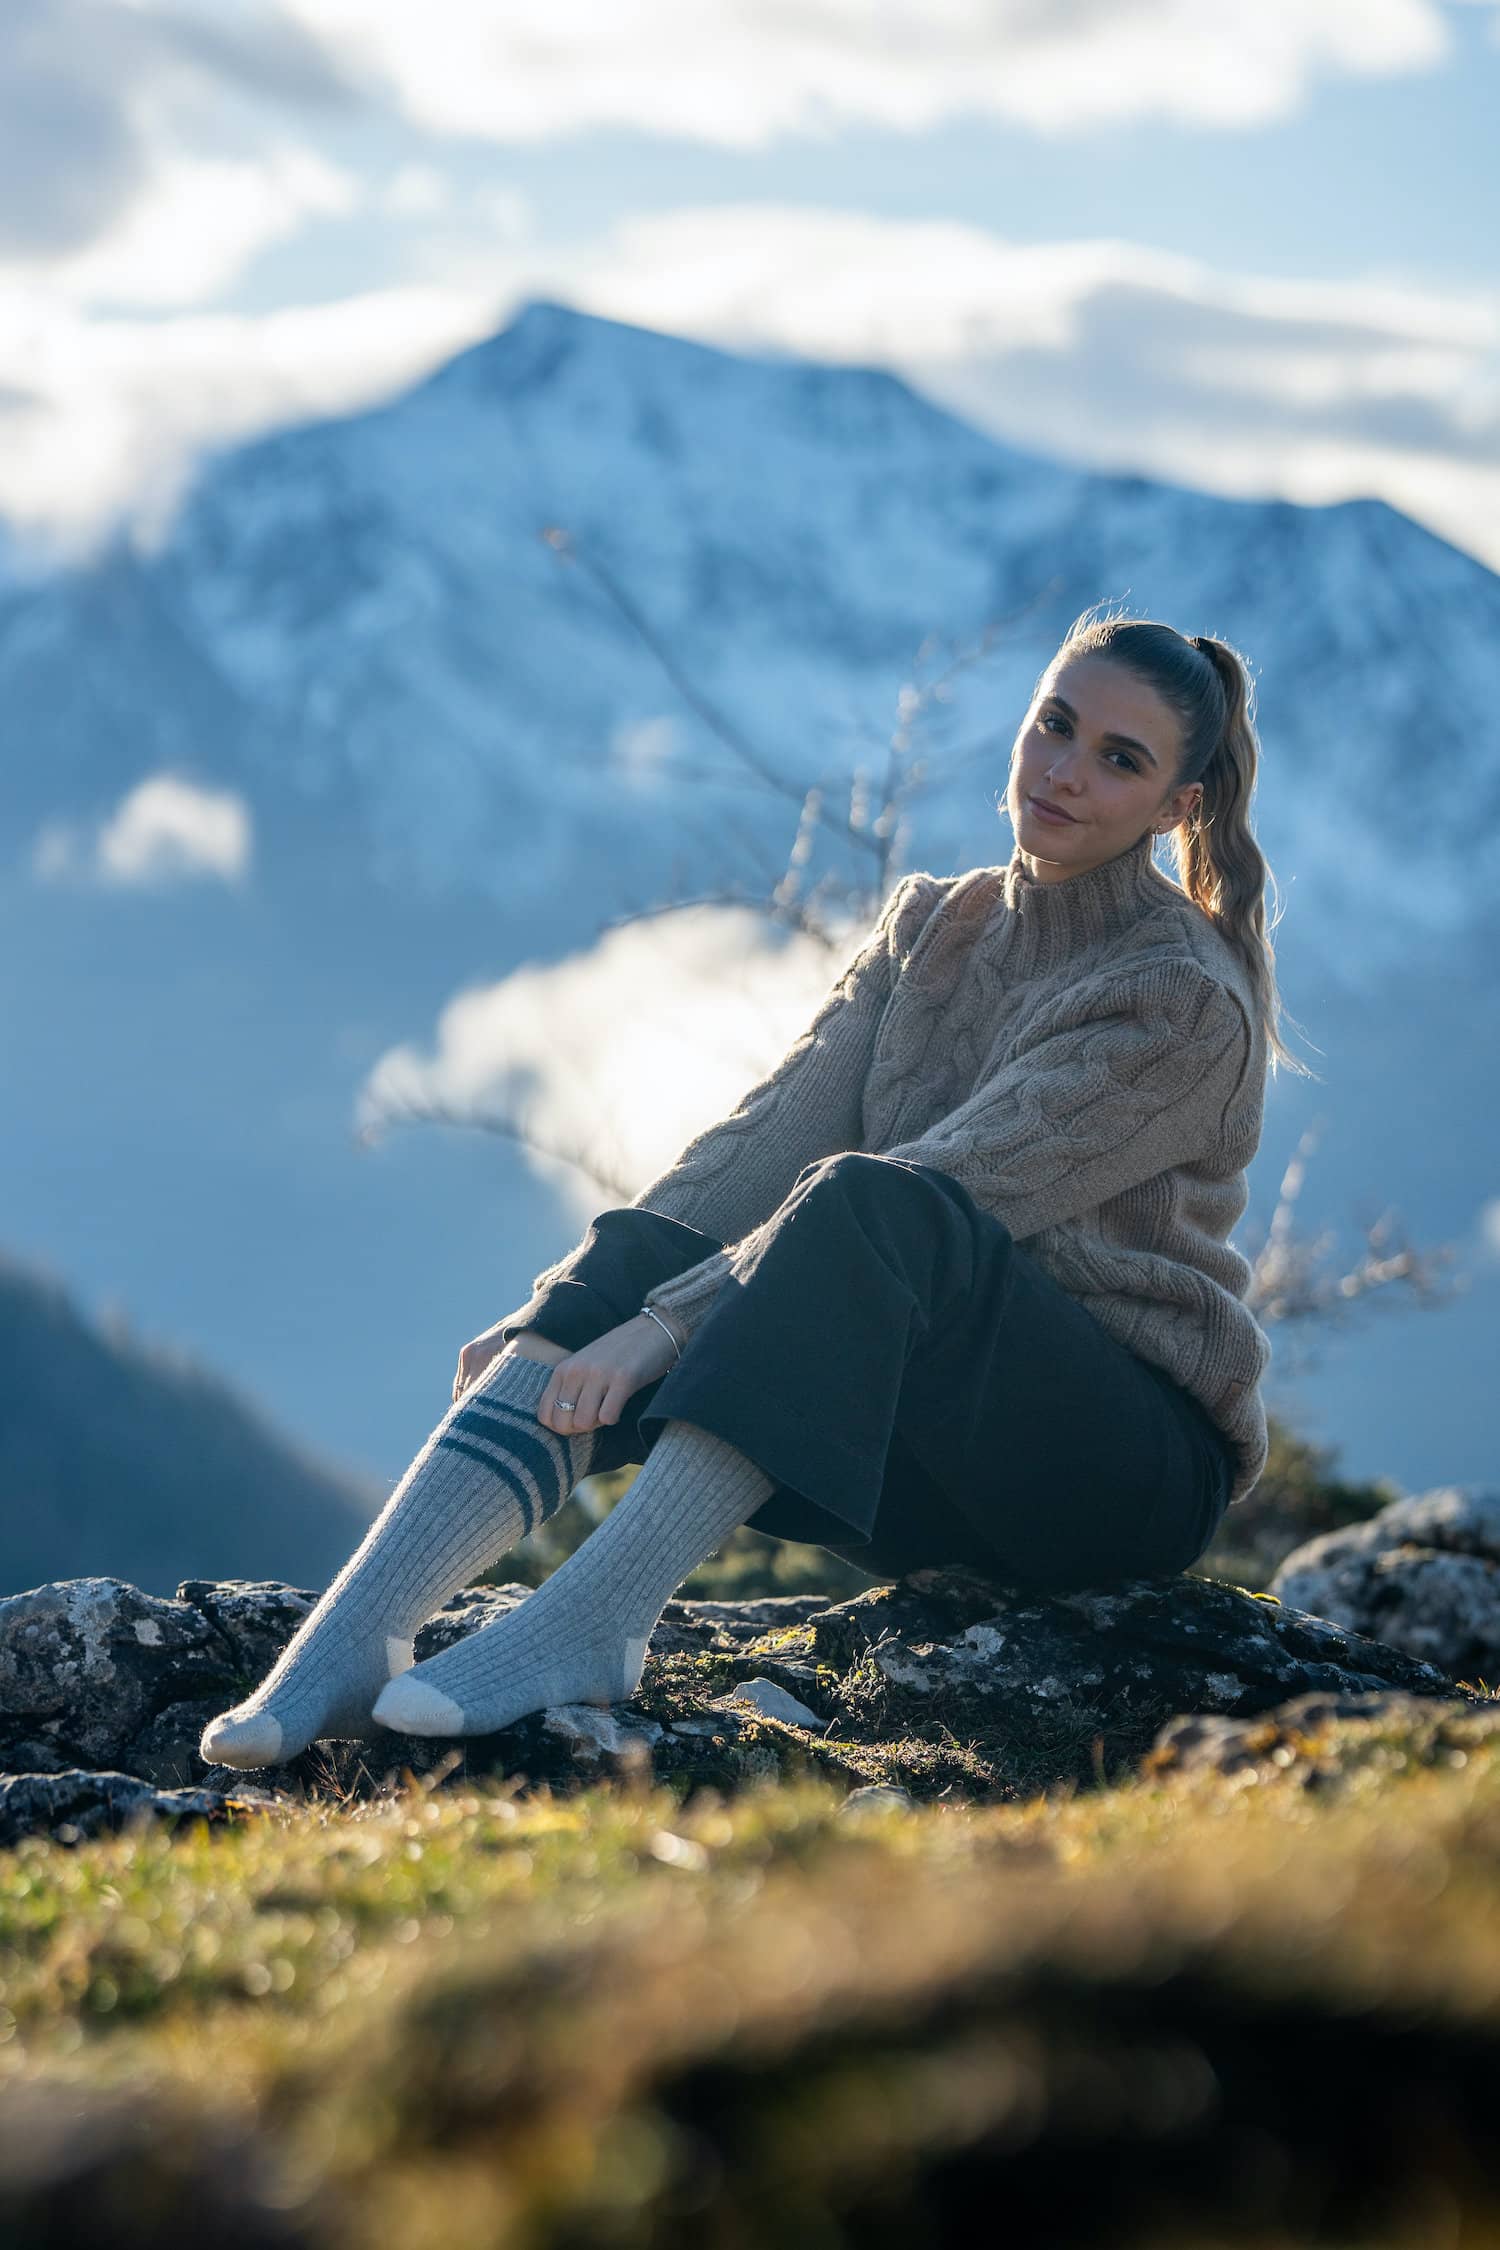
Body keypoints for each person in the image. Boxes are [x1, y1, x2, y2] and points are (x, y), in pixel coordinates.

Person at [201, 608, 1310, 1771]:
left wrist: (667, 1329)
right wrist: (570, 1311)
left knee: (865, 1207)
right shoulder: (935, 924)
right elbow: (760, 1142)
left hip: (1110, 1473)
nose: (1065, 772)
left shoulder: (1177, 996)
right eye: (1056, 726)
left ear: (1177, 805)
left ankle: (594, 1625)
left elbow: (946, 1186)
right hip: (938, 1438)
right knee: (652, 1244)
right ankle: (354, 1639)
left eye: (1118, 759)